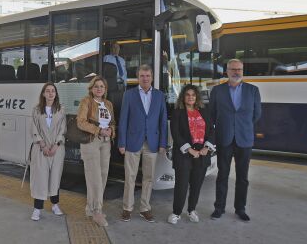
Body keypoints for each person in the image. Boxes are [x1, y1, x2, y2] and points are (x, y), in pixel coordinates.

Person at [209, 59, 261, 222]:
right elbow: (212, 114)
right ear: (227, 71)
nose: (236, 72)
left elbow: (256, 114)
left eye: (239, 69)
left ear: (242, 71)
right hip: (224, 138)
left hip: (244, 139)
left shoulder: (253, 90)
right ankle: (219, 208)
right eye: (233, 69)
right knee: (222, 175)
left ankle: (240, 208)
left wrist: (241, 127)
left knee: (242, 177)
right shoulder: (217, 91)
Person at [118, 64, 168, 223]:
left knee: (148, 178)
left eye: (147, 76)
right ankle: (127, 208)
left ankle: (145, 208)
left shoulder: (160, 96)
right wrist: (122, 142)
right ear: (138, 78)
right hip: (133, 141)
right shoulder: (129, 95)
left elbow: (162, 122)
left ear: (152, 77)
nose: (145, 79)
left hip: (152, 143)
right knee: (130, 177)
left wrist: (162, 143)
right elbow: (123, 120)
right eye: (142, 76)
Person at [167, 84, 215, 224]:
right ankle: (176, 213)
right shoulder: (177, 112)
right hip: (184, 154)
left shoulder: (204, 111)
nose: (190, 97)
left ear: (197, 97)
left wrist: (207, 148)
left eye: (193, 95)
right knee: (181, 185)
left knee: (196, 184)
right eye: (188, 95)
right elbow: (176, 134)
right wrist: (190, 150)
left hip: (202, 153)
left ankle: (191, 210)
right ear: (183, 97)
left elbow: (212, 130)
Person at [77, 76, 116, 227]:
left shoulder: (108, 104)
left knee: (103, 175)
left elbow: (113, 122)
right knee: (95, 178)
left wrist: (110, 131)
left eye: (102, 86)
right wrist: (99, 130)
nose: (99, 89)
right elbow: (81, 122)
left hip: (106, 142)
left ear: (105, 89)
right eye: (96, 86)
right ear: (91, 88)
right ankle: (97, 211)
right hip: (91, 141)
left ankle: (90, 208)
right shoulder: (86, 101)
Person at [29, 82, 66, 221]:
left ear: (56, 94)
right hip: (41, 149)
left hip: (57, 149)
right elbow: (34, 129)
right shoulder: (37, 110)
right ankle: (37, 209)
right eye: (48, 91)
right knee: (40, 179)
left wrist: (56, 144)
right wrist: (43, 145)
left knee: (55, 177)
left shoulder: (61, 109)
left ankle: (55, 205)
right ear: (43, 94)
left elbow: (63, 129)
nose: (51, 93)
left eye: (53, 91)